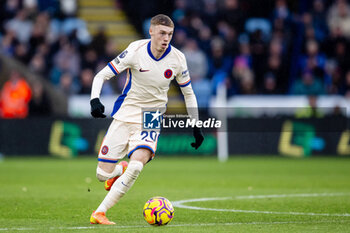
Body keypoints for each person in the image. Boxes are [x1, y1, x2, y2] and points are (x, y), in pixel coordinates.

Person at [89, 14, 204, 225]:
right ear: (151, 32)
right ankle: (119, 169)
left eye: (169, 34)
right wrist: (94, 100)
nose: (166, 38)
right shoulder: (135, 51)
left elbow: (189, 93)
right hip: (126, 112)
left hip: (152, 116)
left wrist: (196, 125)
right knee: (101, 176)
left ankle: (100, 212)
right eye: (162, 33)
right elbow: (101, 76)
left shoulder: (178, 59)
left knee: (136, 166)